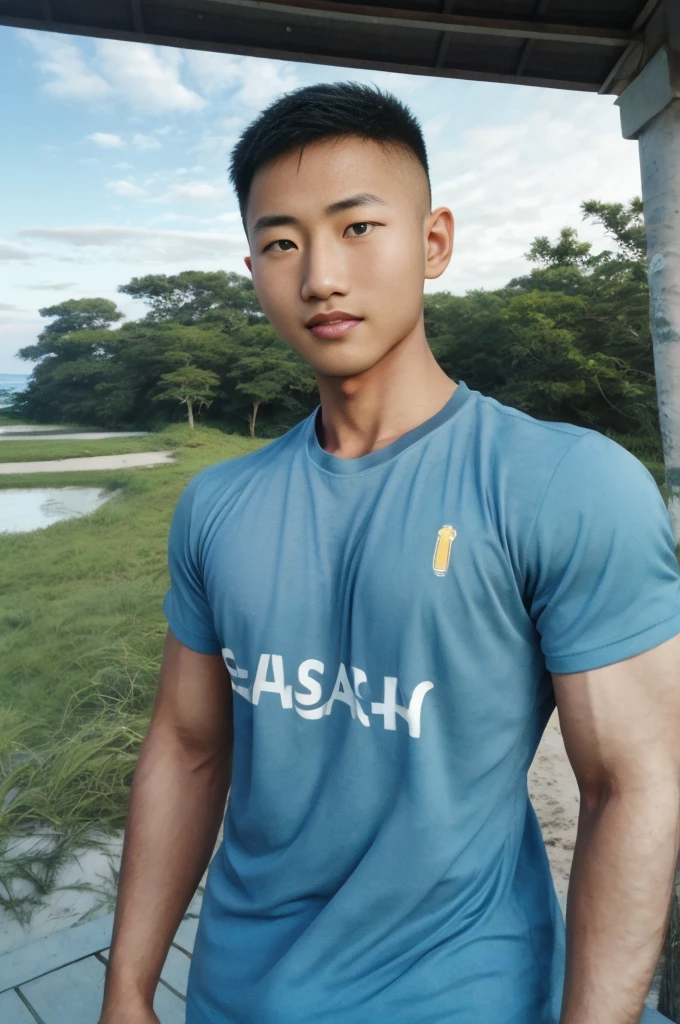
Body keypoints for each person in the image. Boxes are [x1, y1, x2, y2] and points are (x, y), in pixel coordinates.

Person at [99, 82, 680, 1024]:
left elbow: (632, 786)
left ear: (434, 242)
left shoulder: (563, 484)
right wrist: (128, 987)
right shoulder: (218, 504)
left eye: (358, 227)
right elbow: (188, 747)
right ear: (252, 266)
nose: (319, 275)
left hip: (466, 995)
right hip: (232, 993)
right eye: (282, 242)